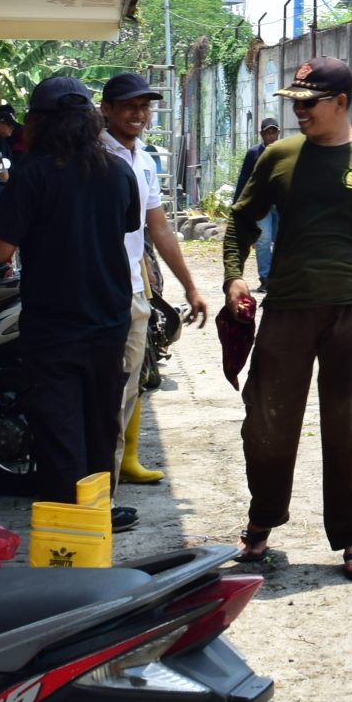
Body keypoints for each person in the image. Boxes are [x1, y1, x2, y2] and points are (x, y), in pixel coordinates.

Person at [233, 56, 352, 580]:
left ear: (341, 102)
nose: (299, 111)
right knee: (268, 420)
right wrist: (234, 275)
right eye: (294, 102)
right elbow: (241, 221)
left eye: (309, 102)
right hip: (288, 310)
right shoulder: (278, 156)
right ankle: (261, 522)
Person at [0, 77, 139, 511]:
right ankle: (97, 519)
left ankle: (67, 534)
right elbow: (126, 226)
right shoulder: (119, 171)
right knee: (99, 427)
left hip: (52, 328)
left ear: (39, 122)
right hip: (108, 321)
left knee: (59, 434)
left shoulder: (32, 174)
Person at [99, 71, 209, 496]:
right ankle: (96, 497)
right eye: (129, 105)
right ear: (106, 109)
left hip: (133, 291)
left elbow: (159, 228)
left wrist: (191, 287)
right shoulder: (93, 157)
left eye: (144, 107)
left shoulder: (143, 159)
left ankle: (108, 485)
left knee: (128, 388)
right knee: (103, 392)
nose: (138, 114)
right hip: (97, 294)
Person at [223, 117, 281, 288]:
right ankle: (265, 278)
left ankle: (280, 278)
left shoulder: (284, 152)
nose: (271, 136)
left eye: (274, 132)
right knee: (263, 240)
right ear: (262, 134)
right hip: (261, 205)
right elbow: (244, 180)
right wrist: (237, 207)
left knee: (283, 240)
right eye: (267, 132)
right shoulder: (254, 154)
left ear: (278, 133)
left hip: (282, 204)